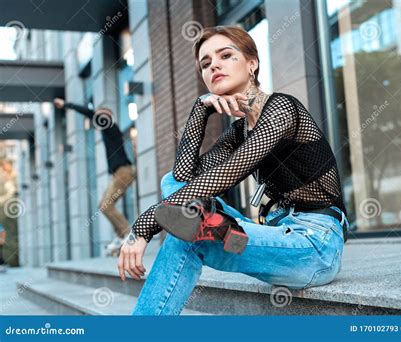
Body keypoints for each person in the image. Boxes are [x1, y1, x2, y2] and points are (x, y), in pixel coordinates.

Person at [118, 25, 349, 315]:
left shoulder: (282, 109)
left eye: (226, 55)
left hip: (313, 246)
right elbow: (182, 177)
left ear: (252, 63)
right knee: (175, 191)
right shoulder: (239, 132)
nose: (214, 64)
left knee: (188, 238)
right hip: (274, 234)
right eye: (205, 63)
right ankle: (209, 223)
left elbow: (226, 175)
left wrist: (144, 225)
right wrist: (200, 111)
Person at [53, 99, 136, 256]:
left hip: (123, 171)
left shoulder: (110, 126)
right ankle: (121, 237)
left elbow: (90, 113)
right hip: (120, 173)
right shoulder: (108, 131)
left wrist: (66, 105)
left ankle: (129, 235)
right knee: (103, 206)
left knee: (107, 205)